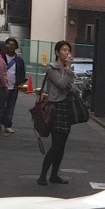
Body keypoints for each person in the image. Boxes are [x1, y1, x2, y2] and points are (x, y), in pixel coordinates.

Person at [37, 40, 76, 186]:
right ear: (57, 52)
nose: (67, 53)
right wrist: (67, 68)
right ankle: (43, 174)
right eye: (64, 50)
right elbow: (60, 84)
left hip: (66, 106)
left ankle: (54, 174)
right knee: (57, 144)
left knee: (62, 144)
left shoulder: (67, 68)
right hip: (55, 106)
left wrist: (68, 71)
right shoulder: (52, 68)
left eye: (68, 50)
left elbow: (70, 87)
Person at [1, 37, 26, 133]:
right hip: (2, 86)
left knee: (10, 106)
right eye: (9, 44)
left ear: (16, 47)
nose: (11, 46)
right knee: (0, 106)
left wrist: (21, 83)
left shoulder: (19, 60)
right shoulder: (1, 57)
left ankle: (7, 125)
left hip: (14, 86)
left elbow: (22, 73)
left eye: (13, 45)